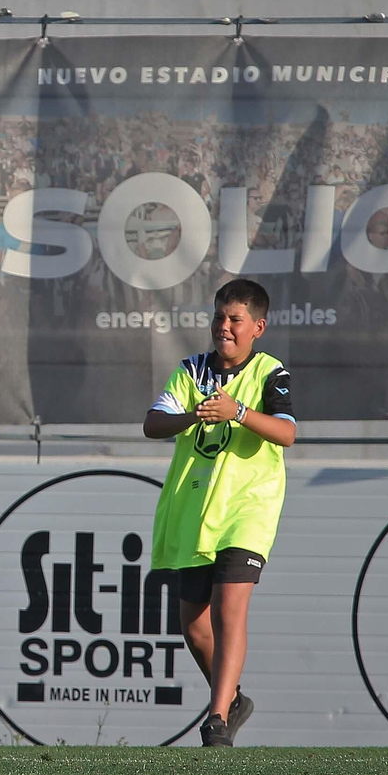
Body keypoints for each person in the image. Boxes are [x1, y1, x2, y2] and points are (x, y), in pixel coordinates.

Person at [142, 278, 296, 747]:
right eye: (219, 317)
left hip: (247, 510)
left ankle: (216, 721)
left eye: (235, 320)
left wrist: (238, 411)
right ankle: (233, 698)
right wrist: (195, 415)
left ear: (258, 328)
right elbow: (153, 423)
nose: (224, 327)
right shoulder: (191, 371)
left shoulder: (270, 371)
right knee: (194, 626)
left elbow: (286, 433)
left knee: (229, 609)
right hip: (196, 513)